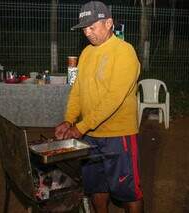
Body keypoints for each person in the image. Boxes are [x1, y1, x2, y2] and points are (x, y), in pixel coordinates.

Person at [55, 1, 144, 212]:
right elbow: (78, 91)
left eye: (92, 27)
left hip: (118, 134)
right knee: (96, 188)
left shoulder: (124, 52)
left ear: (109, 23)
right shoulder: (86, 54)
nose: (87, 33)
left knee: (129, 191)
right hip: (90, 135)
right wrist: (69, 120)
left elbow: (113, 99)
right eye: (84, 28)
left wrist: (80, 127)